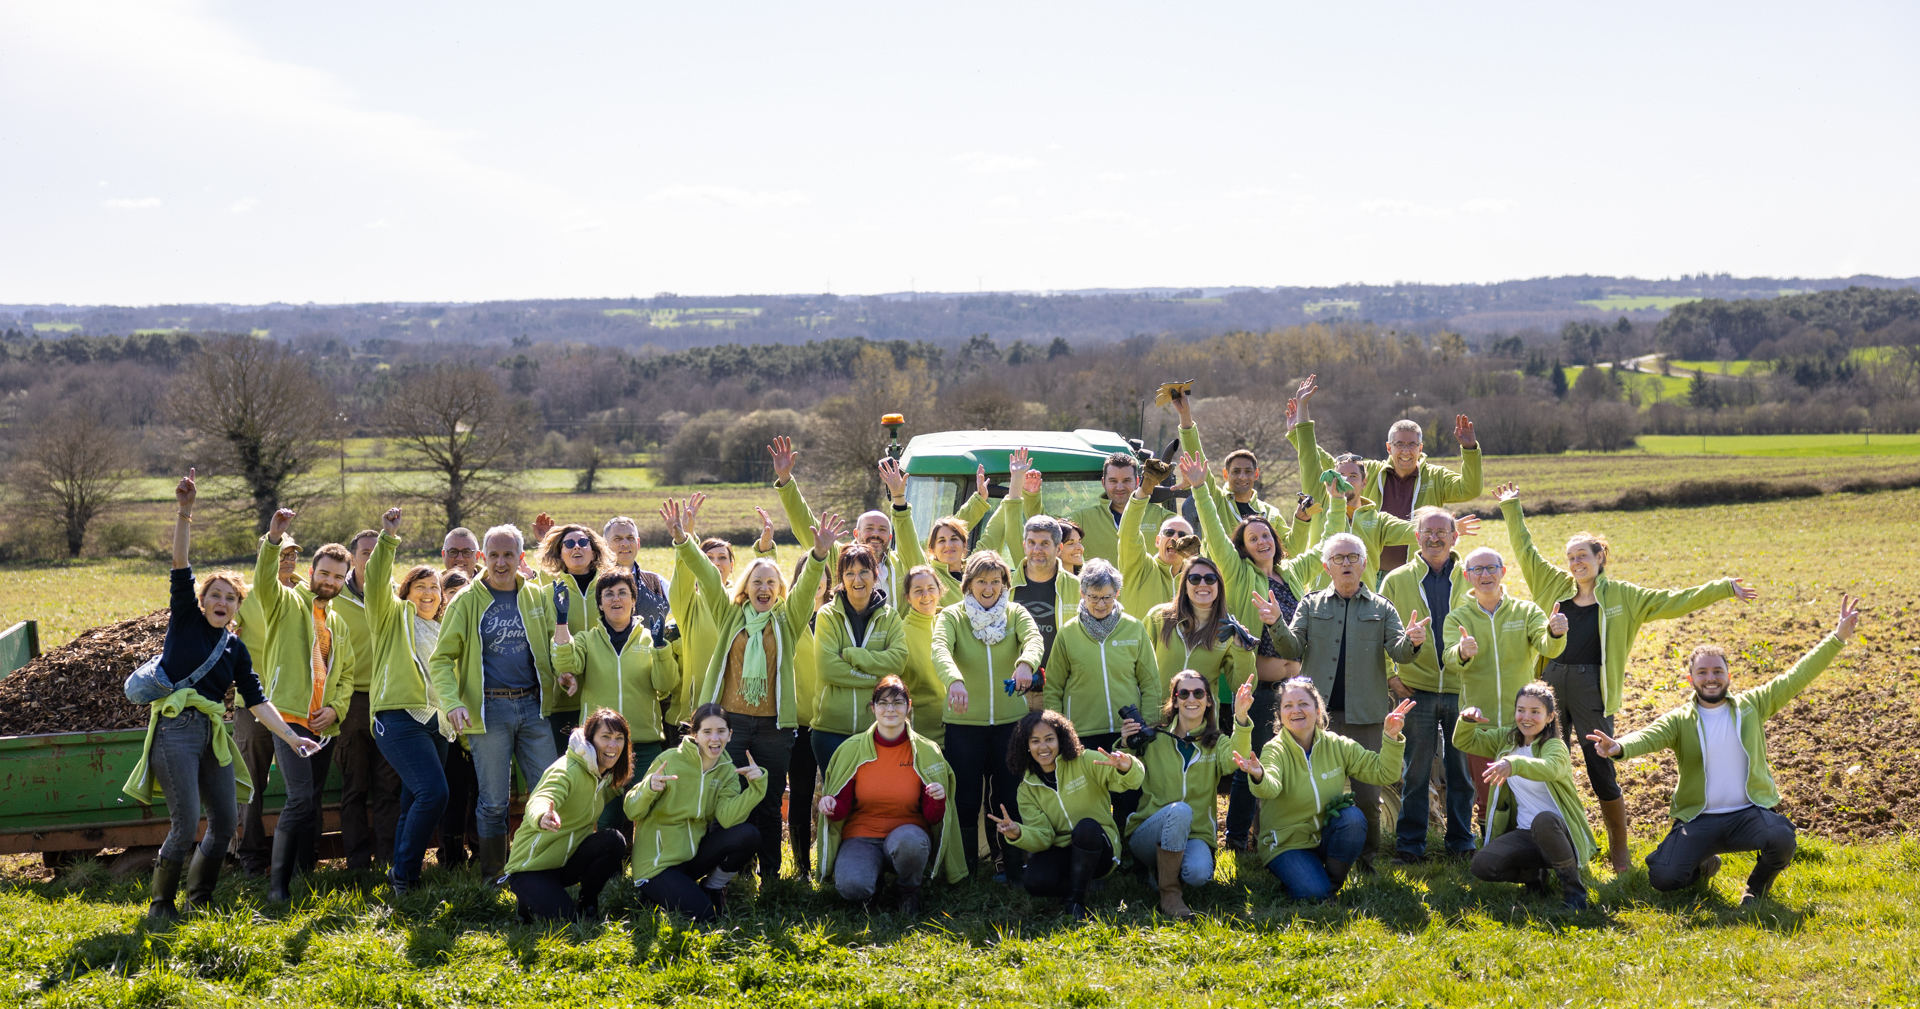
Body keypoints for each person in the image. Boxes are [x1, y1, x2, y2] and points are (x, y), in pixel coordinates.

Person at [1498, 481, 1759, 873]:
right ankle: (1543, 845)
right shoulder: (1553, 585)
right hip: (1551, 683)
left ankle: (1619, 851)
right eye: (1570, 557)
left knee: (1600, 763)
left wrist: (1722, 587)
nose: (1575, 563)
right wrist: (1512, 507)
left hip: (1592, 689)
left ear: (1600, 557)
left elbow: (1674, 600)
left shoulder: (1624, 596)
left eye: (1582, 556)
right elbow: (1525, 550)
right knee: (1538, 756)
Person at [132, 470, 322, 921]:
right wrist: (185, 510)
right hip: (175, 730)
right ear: (202, 602)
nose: (221, 601)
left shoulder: (235, 648)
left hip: (212, 734)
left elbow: (257, 700)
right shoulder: (186, 620)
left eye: (230, 598)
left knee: (223, 824)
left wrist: (294, 738)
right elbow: (180, 562)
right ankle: (161, 906)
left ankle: (199, 901)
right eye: (214, 595)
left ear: (238, 607)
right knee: (185, 825)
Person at [1590, 596, 1860, 906]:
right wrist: (1619, 746)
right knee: (1663, 877)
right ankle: (1705, 864)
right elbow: (1650, 735)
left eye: (1717, 671)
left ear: (1728, 676)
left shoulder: (1753, 705)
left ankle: (1756, 889)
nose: (1711, 678)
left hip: (1748, 815)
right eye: (1702, 673)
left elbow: (1796, 676)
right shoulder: (1680, 719)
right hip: (1699, 819)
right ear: (1691, 679)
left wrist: (1837, 637)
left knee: (1781, 838)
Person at [669, 495, 836, 888]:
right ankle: (731, 869)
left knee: (768, 796)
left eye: (771, 583)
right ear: (746, 587)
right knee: (729, 797)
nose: (764, 587)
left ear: (779, 589)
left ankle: (771, 874)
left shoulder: (788, 620)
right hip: (731, 725)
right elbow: (708, 578)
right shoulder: (730, 615)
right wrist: (683, 540)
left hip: (774, 727)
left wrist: (818, 555)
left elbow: (808, 584)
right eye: (757, 581)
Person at [1181, 451, 1322, 851]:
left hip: (1296, 689)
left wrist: (1333, 505)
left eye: (1266, 535)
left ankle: (1278, 831)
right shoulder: (1239, 572)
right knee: (1250, 763)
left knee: (1288, 761)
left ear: (1276, 541)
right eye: (1252, 538)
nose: (1261, 541)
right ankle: (1237, 837)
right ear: (1242, 547)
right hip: (1259, 692)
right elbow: (1210, 522)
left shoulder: (1290, 573)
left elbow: (1326, 544)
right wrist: (1199, 487)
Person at [1266, 533, 1429, 869]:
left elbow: (1400, 653)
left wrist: (1412, 641)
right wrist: (1275, 623)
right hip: (1317, 720)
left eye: (1353, 557)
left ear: (1364, 564)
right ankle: (1318, 855)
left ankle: (1365, 861)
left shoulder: (1382, 608)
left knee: (1368, 796)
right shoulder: (1311, 604)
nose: (1346, 564)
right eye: (1338, 558)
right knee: (1317, 793)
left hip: (1365, 717)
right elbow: (1291, 649)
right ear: (1327, 566)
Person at [428, 522, 562, 883]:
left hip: (534, 708)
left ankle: (545, 868)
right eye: (494, 555)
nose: (501, 563)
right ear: (483, 557)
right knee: (493, 803)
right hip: (490, 711)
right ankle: (495, 877)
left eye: (508, 555)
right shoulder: (467, 601)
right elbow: (441, 659)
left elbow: (554, 644)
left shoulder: (535, 596)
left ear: (520, 558)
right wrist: (453, 701)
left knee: (550, 791)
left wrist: (563, 672)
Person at [252, 506, 359, 902]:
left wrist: (336, 710)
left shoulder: (339, 623)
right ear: (311, 572)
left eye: (337, 575)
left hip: (321, 725)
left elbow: (344, 676)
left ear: (344, 579)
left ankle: (301, 874)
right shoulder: (287, 603)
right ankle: (277, 888)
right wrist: (274, 539)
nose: (329, 581)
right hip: (288, 718)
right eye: (324, 573)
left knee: (311, 799)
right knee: (298, 797)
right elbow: (263, 584)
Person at [1238, 678, 1414, 901]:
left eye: (1303, 703)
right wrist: (1260, 774)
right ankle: (1316, 888)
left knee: (1352, 818)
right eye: (1288, 706)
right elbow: (1269, 789)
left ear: (1317, 709)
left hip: (1324, 837)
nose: (1296, 711)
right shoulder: (1274, 750)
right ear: (1280, 715)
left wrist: (1390, 736)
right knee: (1312, 892)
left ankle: (1328, 887)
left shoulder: (1338, 745)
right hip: (1286, 844)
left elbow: (1383, 773)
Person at [1290, 373, 1482, 576]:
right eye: (1399, 445)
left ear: (1420, 447)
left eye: (1412, 445)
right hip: (1368, 572)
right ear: (1389, 447)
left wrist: (1470, 450)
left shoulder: (1435, 477)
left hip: (1412, 572)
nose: (1406, 451)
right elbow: (1326, 463)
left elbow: (1469, 489)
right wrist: (1297, 434)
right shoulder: (1370, 471)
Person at [932, 550, 1045, 879]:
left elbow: (1034, 639)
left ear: (1004, 584)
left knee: (1008, 795)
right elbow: (939, 648)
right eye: (981, 581)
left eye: (995, 581)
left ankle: (1011, 867)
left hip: (1010, 725)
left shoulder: (1015, 613)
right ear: (968, 583)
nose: (988, 587)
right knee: (966, 796)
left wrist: (1026, 663)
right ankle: (966, 869)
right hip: (963, 726)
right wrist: (954, 680)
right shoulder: (952, 616)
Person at [363, 507, 458, 896]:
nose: (428, 593)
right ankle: (406, 875)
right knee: (434, 793)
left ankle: (398, 872)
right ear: (406, 592)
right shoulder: (392, 618)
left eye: (434, 588)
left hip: (437, 723)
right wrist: (388, 538)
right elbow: (373, 581)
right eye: (420, 586)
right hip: (398, 716)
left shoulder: (444, 628)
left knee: (412, 799)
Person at [815, 677, 967, 913]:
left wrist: (938, 799)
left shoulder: (927, 751)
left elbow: (934, 819)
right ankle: (873, 884)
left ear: (909, 706)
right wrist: (830, 804)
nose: (890, 709)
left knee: (911, 844)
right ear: (873, 707)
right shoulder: (851, 749)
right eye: (883, 702)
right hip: (861, 835)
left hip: (908, 834)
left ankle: (908, 890)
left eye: (897, 702)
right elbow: (841, 809)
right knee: (851, 887)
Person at [1441, 546, 1568, 830]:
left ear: (1503, 572)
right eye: (1477, 569)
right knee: (1488, 799)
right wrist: (1461, 652)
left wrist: (1555, 632)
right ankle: (1492, 852)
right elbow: (1450, 660)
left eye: (1491, 568)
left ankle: (1535, 847)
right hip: (1482, 728)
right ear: (1467, 576)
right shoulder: (1458, 618)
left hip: (1523, 724)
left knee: (1529, 791)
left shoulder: (1526, 611)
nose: (1485, 574)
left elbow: (1548, 646)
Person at [1378, 506, 1477, 865]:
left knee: (1460, 771)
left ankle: (1462, 842)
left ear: (1455, 537)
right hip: (1414, 688)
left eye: (1442, 532)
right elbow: (1382, 629)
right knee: (1415, 771)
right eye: (1427, 532)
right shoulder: (1396, 579)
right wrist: (1391, 673)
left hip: (1460, 688)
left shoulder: (1473, 576)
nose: (1434, 538)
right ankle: (1410, 846)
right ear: (1416, 537)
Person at [552, 568, 680, 842]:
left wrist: (660, 648)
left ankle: (644, 872)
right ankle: (610, 875)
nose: (615, 599)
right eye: (608, 594)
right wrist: (561, 621)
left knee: (645, 810)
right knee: (607, 816)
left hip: (643, 744)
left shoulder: (649, 638)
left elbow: (665, 684)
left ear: (633, 600)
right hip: (601, 747)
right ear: (600, 603)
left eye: (623, 592)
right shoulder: (587, 639)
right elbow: (565, 664)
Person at [1121, 676, 1256, 919]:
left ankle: (1166, 871)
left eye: (1198, 693)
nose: (1191, 699)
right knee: (1180, 810)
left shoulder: (1216, 742)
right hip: (1148, 834)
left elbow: (1238, 758)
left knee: (1198, 874)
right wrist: (1124, 747)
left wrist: (1241, 717)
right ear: (1174, 701)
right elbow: (1124, 775)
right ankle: (1169, 895)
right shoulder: (1155, 737)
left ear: (1209, 702)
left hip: (1195, 835)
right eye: (1183, 694)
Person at [991, 709, 1144, 920]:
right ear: (1026, 746)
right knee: (1034, 882)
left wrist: (1127, 766)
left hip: (1099, 847)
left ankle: (1075, 900)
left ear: (1061, 739)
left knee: (1086, 828)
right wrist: (1019, 833)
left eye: (1049, 739)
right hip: (1062, 849)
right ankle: (1082, 882)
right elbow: (1043, 837)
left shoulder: (1085, 760)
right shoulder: (1027, 787)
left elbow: (1131, 781)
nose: (1042, 747)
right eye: (1035, 741)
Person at [1454, 683, 1596, 909]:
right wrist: (1467, 722)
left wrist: (1513, 763)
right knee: (1482, 865)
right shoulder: (1507, 740)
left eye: (1535, 712)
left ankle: (1574, 893)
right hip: (1526, 833)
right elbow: (1464, 742)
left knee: (1544, 820)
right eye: (1521, 710)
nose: (1526, 717)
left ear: (1549, 717)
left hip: (1560, 834)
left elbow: (1551, 768)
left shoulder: (1555, 746)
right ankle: (1535, 876)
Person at [1042, 558, 1160, 829]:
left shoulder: (1135, 628)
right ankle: (1100, 849)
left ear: (1117, 593)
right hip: (1082, 730)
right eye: (1093, 597)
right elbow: (1054, 688)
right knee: (1090, 796)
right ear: (1082, 593)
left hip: (1127, 731)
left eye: (1107, 597)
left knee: (1128, 793)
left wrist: (1148, 725)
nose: (1100, 604)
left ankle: (1130, 849)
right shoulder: (1068, 634)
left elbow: (1150, 684)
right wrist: (1058, 730)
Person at [627, 702, 768, 920]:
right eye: (707, 732)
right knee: (705, 917)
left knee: (749, 835)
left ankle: (712, 887)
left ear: (730, 735)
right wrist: (648, 789)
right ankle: (655, 893)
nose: (715, 739)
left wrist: (756, 789)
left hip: (691, 857)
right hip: (657, 865)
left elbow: (727, 818)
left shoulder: (727, 771)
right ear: (695, 734)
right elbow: (631, 810)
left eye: (721, 731)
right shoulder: (670, 760)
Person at [504, 708, 634, 922]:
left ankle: (589, 903)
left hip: (564, 864)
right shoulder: (567, 769)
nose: (613, 745)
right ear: (590, 740)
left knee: (613, 841)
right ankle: (527, 901)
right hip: (531, 867)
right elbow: (541, 798)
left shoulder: (602, 775)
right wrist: (543, 815)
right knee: (569, 924)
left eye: (619, 738)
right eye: (605, 737)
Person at [667, 497, 776, 737]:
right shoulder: (688, 603)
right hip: (694, 714)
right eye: (708, 558)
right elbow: (684, 574)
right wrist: (687, 537)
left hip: (737, 712)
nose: (715, 563)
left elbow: (769, 589)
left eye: (722, 558)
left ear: (733, 564)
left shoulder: (745, 603)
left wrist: (766, 548)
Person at [331, 526, 402, 872]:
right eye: (365, 553)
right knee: (355, 786)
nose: (372, 559)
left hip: (388, 699)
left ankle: (388, 861)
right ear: (352, 559)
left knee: (389, 786)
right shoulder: (334, 599)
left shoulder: (396, 597)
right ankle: (357, 865)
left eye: (378, 553)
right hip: (351, 702)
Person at [232, 537, 301, 877]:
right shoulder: (245, 595)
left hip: (295, 704)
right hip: (253, 704)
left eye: (292, 554)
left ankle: (297, 858)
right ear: (262, 556)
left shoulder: (306, 591)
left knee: (300, 787)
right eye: (280, 553)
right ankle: (252, 859)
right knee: (251, 785)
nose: (287, 560)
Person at [810, 543, 911, 769]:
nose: (857, 580)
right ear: (841, 579)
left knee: (873, 801)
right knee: (837, 801)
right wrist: (876, 680)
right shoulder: (827, 614)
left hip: (878, 729)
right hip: (830, 731)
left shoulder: (890, 616)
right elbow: (828, 669)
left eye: (864, 571)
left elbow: (898, 662)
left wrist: (852, 655)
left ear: (876, 575)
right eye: (850, 573)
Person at [535, 523, 613, 750]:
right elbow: (543, 642)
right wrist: (562, 671)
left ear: (594, 550)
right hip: (564, 699)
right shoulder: (546, 593)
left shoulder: (611, 588)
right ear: (560, 553)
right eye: (568, 544)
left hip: (605, 693)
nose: (576, 547)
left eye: (582, 542)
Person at [1117, 469, 1199, 621]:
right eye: (1169, 532)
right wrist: (1143, 492)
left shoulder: (1197, 578)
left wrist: (1199, 486)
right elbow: (1128, 534)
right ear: (1157, 541)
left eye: (1182, 536)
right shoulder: (1140, 568)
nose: (1175, 538)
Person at [1008, 512, 1080, 665]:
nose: (1037, 549)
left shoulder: (1079, 588)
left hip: (1061, 684)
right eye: (1031, 542)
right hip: (1013, 683)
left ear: (1059, 549)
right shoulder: (1004, 586)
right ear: (1024, 546)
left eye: (1045, 544)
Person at [601, 515, 674, 643]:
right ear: (604, 545)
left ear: (638, 543)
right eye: (617, 539)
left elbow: (688, 609)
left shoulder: (657, 583)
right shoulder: (593, 583)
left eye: (630, 538)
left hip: (648, 661)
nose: (625, 543)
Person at [900, 566, 949, 745]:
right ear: (908, 597)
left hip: (960, 731)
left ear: (939, 590)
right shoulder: (901, 634)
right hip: (922, 737)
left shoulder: (952, 623)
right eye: (918, 590)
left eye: (930, 588)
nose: (925, 594)